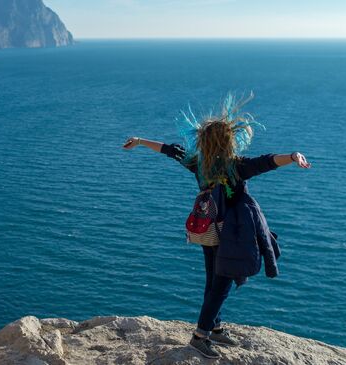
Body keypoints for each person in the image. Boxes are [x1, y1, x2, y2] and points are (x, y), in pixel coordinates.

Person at [122, 94, 311, 359]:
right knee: (221, 284)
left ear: (203, 141)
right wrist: (292, 156)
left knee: (212, 278)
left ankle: (216, 326)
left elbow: (170, 149)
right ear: (229, 140)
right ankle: (200, 336)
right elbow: (267, 161)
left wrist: (140, 141)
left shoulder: (198, 164)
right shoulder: (236, 167)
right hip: (231, 234)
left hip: (207, 230)